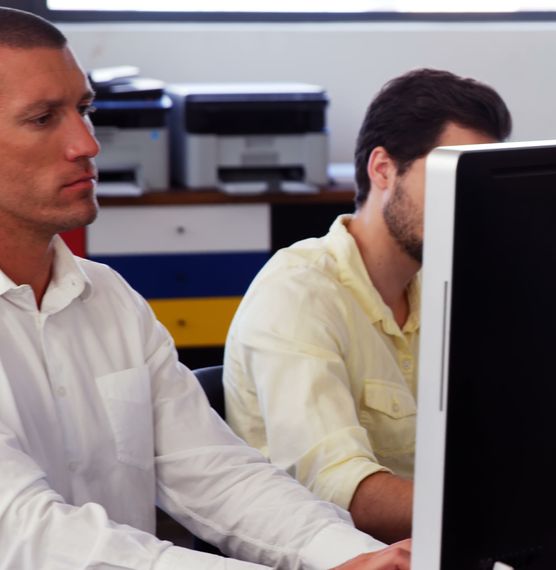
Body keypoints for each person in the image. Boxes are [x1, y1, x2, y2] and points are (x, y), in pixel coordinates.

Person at [0, 8, 410, 568]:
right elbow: (30, 536)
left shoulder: (110, 299)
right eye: (44, 118)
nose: (87, 144)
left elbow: (215, 473)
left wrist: (350, 556)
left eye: (85, 109)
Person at [223, 69, 512, 543]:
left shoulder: (447, 288)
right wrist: (497, 508)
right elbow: (341, 493)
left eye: (479, 181)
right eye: (451, 177)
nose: (472, 204)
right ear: (383, 169)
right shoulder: (298, 294)